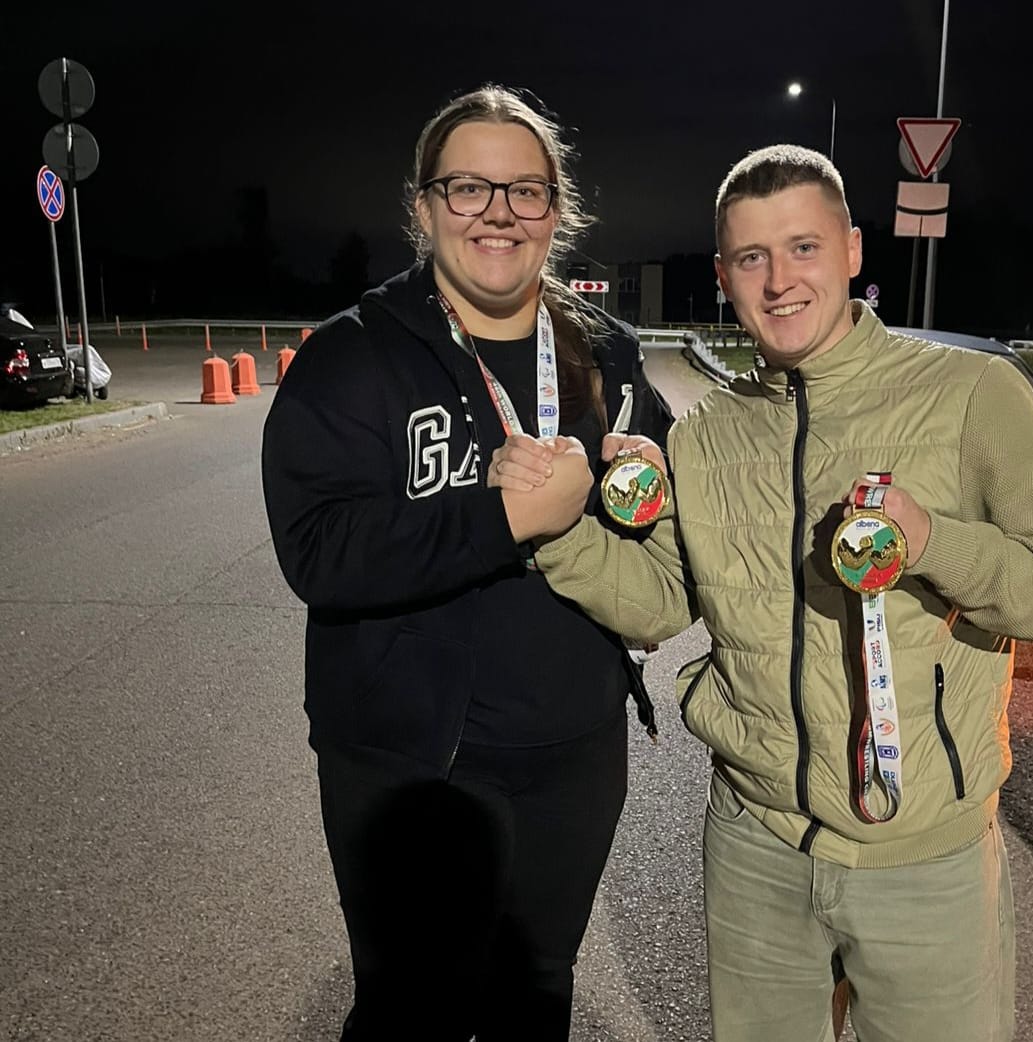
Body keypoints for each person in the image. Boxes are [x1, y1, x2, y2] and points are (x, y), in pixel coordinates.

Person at [490, 144, 1033, 1042]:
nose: (779, 280)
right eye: (752, 257)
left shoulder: (969, 394)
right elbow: (661, 601)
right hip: (755, 845)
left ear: (853, 251)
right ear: (723, 277)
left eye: (804, 248)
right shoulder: (706, 435)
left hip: (923, 857)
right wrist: (556, 530)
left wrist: (933, 544)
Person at [260, 85, 672, 1041]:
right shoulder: (351, 358)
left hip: (573, 752)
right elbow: (318, 552)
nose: (498, 213)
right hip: (413, 768)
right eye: (468, 188)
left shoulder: (607, 354)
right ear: (424, 206)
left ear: (556, 211)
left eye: (525, 190)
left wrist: (645, 481)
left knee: (538, 991)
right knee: (412, 1008)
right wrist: (502, 518)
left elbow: (651, 520)